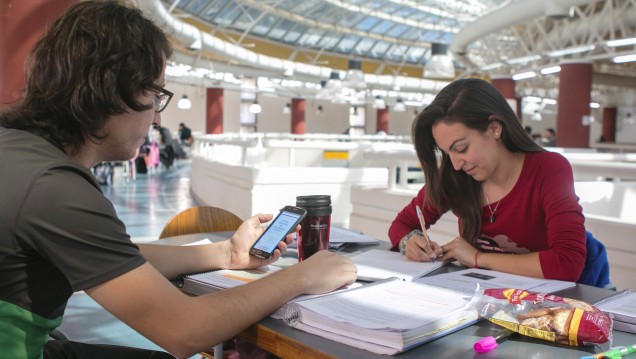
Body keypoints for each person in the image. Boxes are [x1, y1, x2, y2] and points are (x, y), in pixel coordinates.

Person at [0, 2, 357, 358]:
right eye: (155, 96)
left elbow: (115, 258)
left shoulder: (19, 151)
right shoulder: (54, 187)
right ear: (110, 88)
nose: (157, 119)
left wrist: (227, 254)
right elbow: (186, 331)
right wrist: (302, 276)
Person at [388, 78, 586, 282]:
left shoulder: (549, 169)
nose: (456, 164)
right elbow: (401, 224)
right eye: (448, 154)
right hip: (480, 300)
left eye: (462, 148)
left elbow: (567, 263)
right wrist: (409, 242)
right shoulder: (454, 176)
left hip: (544, 306)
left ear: (494, 128)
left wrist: (478, 258)